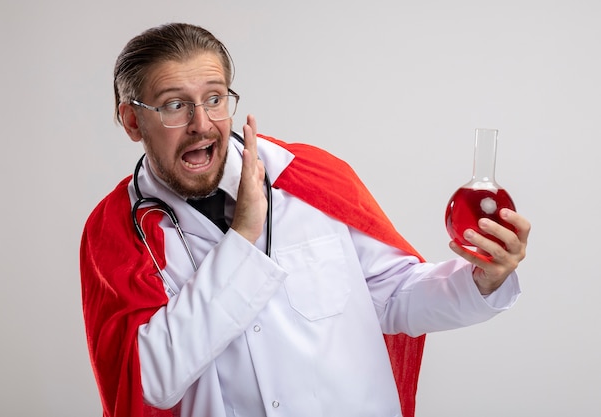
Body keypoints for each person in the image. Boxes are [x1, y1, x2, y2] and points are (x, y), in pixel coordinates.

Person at [80, 23, 530, 417]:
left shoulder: (309, 177)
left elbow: (393, 296)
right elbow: (147, 383)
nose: (202, 123)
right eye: (175, 105)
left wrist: (482, 280)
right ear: (132, 121)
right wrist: (243, 237)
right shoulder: (117, 233)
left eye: (214, 98)